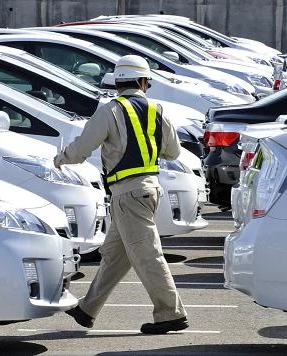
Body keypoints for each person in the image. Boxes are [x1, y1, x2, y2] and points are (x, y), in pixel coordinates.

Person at [54, 55, 188, 334]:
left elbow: (82, 149)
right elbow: (173, 152)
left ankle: (171, 314)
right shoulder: (157, 109)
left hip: (127, 195)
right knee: (115, 256)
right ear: (142, 81)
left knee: (148, 255)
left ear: (118, 83)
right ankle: (87, 309)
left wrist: (61, 158)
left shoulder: (110, 110)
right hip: (148, 191)